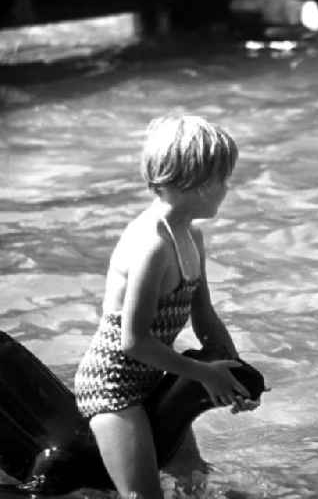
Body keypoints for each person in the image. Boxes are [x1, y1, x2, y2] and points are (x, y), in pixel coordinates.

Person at [73, 115, 260, 498]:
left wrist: (232, 373)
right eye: (222, 179)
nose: (227, 187)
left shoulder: (191, 234)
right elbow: (134, 342)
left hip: (152, 377)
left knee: (193, 475)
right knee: (143, 494)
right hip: (113, 390)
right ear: (196, 181)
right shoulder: (152, 245)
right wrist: (203, 374)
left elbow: (204, 316)